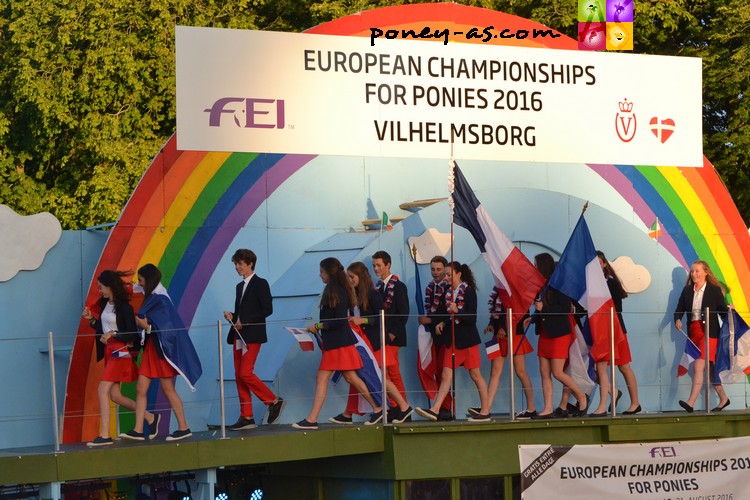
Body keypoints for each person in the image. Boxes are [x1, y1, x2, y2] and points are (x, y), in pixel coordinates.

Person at [293, 257, 383, 430]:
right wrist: (321, 327)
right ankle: (378, 408)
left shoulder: (337, 292)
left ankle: (312, 419)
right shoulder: (336, 290)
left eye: (321, 271)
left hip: (338, 344)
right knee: (351, 377)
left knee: (323, 378)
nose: (320, 275)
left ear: (329, 273)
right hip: (338, 343)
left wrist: (319, 326)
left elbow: (340, 321)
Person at [120, 264, 202, 441]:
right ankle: (138, 429)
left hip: (162, 350)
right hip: (151, 348)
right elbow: (133, 289)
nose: (139, 284)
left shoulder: (161, 299)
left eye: (141, 281)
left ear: (148, 281)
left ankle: (184, 427)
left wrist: (146, 326)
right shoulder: (151, 294)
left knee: (168, 388)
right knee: (141, 388)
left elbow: (167, 328)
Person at [329, 261, 413, 424]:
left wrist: (363, 320)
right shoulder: (353, 293)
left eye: (352, 277)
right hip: (361, 343)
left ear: (360, 276)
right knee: (358, 377)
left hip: (373, 343)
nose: (350, 279)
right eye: (348, 277)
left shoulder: (373, 294)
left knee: (381, 379)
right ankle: (350, 413)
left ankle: (403, 407)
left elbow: (383, 318)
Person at [82, 270, 158, 446]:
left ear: (110, 286)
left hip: (120, 351)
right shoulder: (104, 304)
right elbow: (103, 329)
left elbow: (130, 333)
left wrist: (113, 335)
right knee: (115, 396)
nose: (99, 291)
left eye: (101, 287)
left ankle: (105, 435)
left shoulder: (124, 307)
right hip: (110, 352)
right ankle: (150, 417)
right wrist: (91, 321)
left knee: (102, 390)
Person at [415, 262, 491, 422]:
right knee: (446, 374)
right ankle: (435, 409)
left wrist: (458, 311)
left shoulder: (469, 292)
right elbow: (447, 315)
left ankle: (485, 411)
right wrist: (443, 323)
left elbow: (472, 318)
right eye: (446, 274)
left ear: (459, 274)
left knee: (476, 375)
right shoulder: (448, 294)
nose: (446, 277)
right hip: (452, 340)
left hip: (467, 341)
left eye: (449, 274)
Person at [222, 249, 285, 430]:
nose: (237, 267)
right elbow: (243, 313)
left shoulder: (260, 283)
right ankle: (247, 416)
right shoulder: (239, 286)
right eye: (236, 264)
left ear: (250, 264)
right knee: (239, 376)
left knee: (245, 373)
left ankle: (273, 400)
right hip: (239, 335)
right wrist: (233, 317)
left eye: (241, 263)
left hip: (252, 335)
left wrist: (244, 321)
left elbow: (267, 309)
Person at [528, 253, 588, 419]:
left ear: (543, 266)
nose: (534, 268)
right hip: (545, 333)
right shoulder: (540, 286)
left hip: (559, 334)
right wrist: (532, 318)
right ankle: (547, 408)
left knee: (557, 372)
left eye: (536, 264)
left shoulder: (559, 285)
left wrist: (543, 310)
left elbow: (564, 309)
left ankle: (581, 396)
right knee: (544, 371)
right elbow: (541, 307)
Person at [674, 260, 730, 412]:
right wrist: (677, 319)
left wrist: (731, 314)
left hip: (709, 334)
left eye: (697, 271)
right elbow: (679, 309)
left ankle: (690, 403)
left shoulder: (714, 290)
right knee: (710, 369)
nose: (694, 274)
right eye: (692, 271)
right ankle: (723, 398)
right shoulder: (687, 290)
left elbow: (722, 311)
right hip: (693, 332)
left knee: (699, 365)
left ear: (705, 272)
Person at [478, 286, 537, 419]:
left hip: (514, 335)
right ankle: (486, 409)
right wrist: (491, 324)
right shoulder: (497, 289)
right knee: (494, 372)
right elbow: (495, 313)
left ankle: (531, 408)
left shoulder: (516, 289)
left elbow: (521, 313)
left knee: (521, 371)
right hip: (497, 337)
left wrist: (505, 328)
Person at [596, 251, 641, 415]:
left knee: (623, 366)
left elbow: (617, 308)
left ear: (604, 264)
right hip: (599, 330)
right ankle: (610, 396)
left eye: (598, 262)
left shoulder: (611, 283)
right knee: (597, 367)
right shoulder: (590, 284)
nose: (596, 266)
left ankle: (635, 403)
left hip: (616, 329)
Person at [372, 251, 410, 407]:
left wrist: (393, 333)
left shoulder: (399, 286)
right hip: (381, 336)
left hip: (392, 337)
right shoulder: (378, 288)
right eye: (374, 265)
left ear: (388, 265)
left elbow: (404, 312)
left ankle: (401, 407)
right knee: (384, 373)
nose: (376, 268)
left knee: (393, 373)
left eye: (379, 265)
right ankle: (393, 406)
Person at [417, 256, 453, 420]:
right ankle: (441, 406)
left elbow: (447, 314)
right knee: (438, 372)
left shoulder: (449, 288)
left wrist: (430, 320)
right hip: (433, 335)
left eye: (439, 269)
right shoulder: (430, 287)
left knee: (444, 372)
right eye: (433, 269)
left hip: (446, 336)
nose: (435, 273)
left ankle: (446, 407)